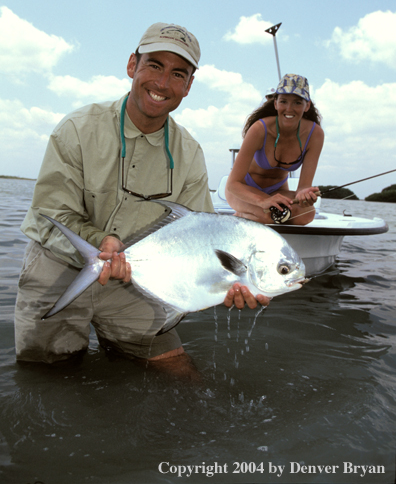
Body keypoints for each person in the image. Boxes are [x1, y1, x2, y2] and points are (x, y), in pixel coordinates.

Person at [15, 22, 270, 372]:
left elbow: (205, 237)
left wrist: (227, 284)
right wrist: (99, 241)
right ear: (132, 65)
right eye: (154, 65)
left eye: (178, 73)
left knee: (182, 379)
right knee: (48, 379)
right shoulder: (77, 129)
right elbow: (52, 211)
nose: (163, 83)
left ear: (189, 85)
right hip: (59, 266)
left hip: (139, 283)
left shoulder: (190, 154)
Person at [225, 74, 324, 225]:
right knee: (269, 215)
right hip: (243, 190)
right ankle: (241, 214)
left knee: (307, 213)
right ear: (276, 103)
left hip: (277, 191)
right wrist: (263, 201)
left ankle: (249, 214)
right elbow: (233, 184)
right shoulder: (259, 129)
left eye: (297, 102)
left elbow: (303, 187)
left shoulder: (315, 134)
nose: (289, 109)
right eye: (284, 101)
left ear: (307, 106)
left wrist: (304, 195)